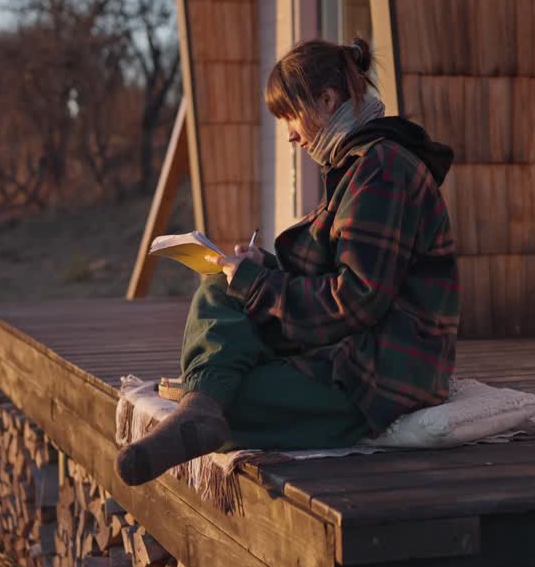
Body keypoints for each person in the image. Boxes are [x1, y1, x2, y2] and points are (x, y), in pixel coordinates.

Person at [115, 38, 460, 487]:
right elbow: (339, 277)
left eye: (290, 117)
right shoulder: (359, 165)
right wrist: (261, 269)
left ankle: (201, 405)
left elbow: (358, 300)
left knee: (232, 397)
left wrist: (261, 285)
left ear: (327, 100)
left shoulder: (382, 170)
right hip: (348, 353)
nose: (290, 135)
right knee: (220, 286)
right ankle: (201, 405)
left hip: (381, 374)